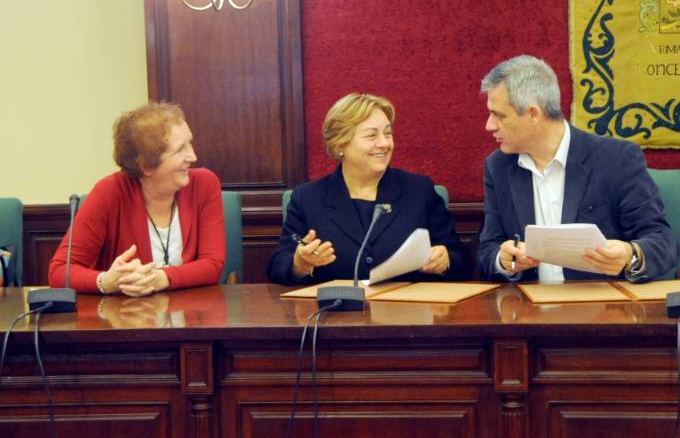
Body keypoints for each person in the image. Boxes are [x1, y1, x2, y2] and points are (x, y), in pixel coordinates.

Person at [477, 55, 678, 282]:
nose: (489, 125)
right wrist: (504, 260)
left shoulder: (616, 159)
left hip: (601, 301)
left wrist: (630, 255)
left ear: (533, 114)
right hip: (528, 302)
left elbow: (663, 241)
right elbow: (488, 250)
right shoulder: (498, 167)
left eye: (499, 115)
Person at [268, 93, 470, 285]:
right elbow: (278, 265)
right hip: (337, 308)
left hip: (408, 307)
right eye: (372, 135)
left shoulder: (419, 190)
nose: (384, 143)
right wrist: (299, 264)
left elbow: (461, 258)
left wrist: (445, 261)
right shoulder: (308, 198)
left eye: (388, 134)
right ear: (340, 144)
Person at [48, 102, 226, 296]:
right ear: (146, 166)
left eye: (189, 144)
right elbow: (59, 271)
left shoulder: (204, 184)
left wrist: (161, 278)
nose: (193, 156)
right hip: (125, 312)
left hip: (192, 311)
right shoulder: (109, 192)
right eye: (180, 150)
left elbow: (213, 264)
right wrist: (106, 281)